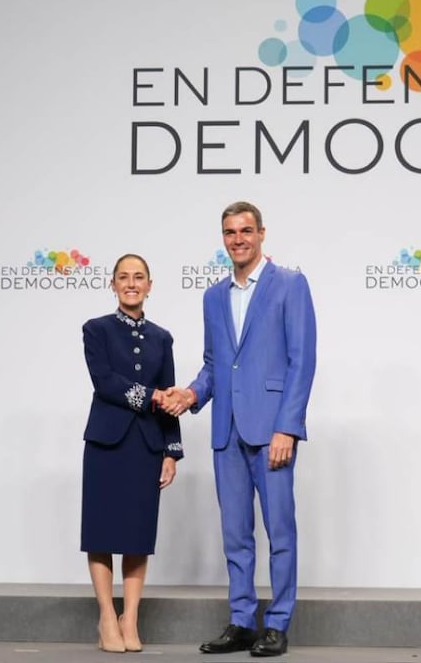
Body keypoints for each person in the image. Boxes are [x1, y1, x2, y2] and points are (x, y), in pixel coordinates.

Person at [163, 201, 317, 657]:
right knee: (235, 534)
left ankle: (278, 622)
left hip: (272, 431)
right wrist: (191, 394)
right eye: (230, 232)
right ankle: (241, 620)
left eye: (246, 230)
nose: (238, 239)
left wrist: (287, 427)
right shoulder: (213, 296)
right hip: (225, 431)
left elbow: (301, 361)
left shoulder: (291, 284)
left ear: (262, 233)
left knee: (280, 531)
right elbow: (216, 364)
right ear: (223, 238)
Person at [80, 253, 183, 653]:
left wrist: (171, 452)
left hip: (146, 446)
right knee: (102, 533)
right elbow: (104, 382)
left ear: (150, 285)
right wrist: (151, 396)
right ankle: (107, 615)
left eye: (138, 277)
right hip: (106, 443)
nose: (131, 283)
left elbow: (171, 397)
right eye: (123, 277)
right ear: (113, 284)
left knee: (138, 537)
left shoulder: (162, 338)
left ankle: (131, 618)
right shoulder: (96, 330)